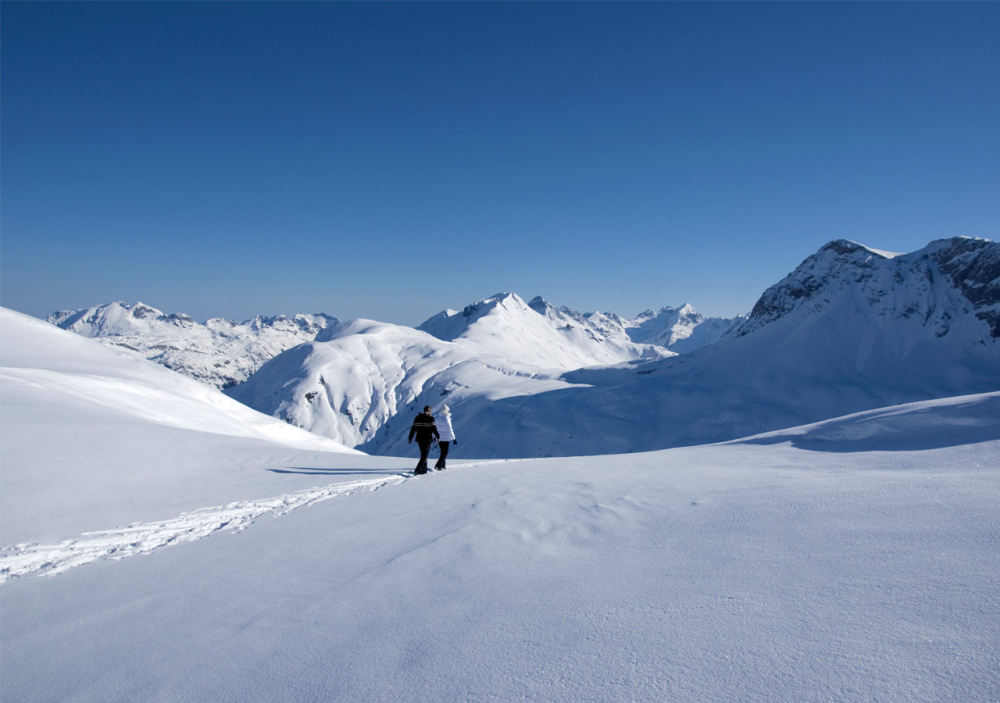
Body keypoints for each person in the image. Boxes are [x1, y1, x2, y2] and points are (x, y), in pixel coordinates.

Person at [408, 405, 439, 475]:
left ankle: (424, 471)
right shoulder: (430, 418)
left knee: (423, 455)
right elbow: (434, 429)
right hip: (427, 439)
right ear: (428, 411)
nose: (431, 412)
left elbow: (413, 429)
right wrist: (438, 436)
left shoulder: (417, 417)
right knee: (424, 456)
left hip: (419, 439)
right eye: (430, 411)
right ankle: (417, 470)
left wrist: (410, 438)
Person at [434, 404, 457, 470]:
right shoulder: (446, 418)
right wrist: (454, 438)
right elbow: (450, 429)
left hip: (439, 438)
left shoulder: (437, 418)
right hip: (446, 438)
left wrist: (434, 436)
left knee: (442, 452)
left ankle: (443, 465)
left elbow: (435, 428)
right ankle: (438, 465)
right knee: (445, 452)